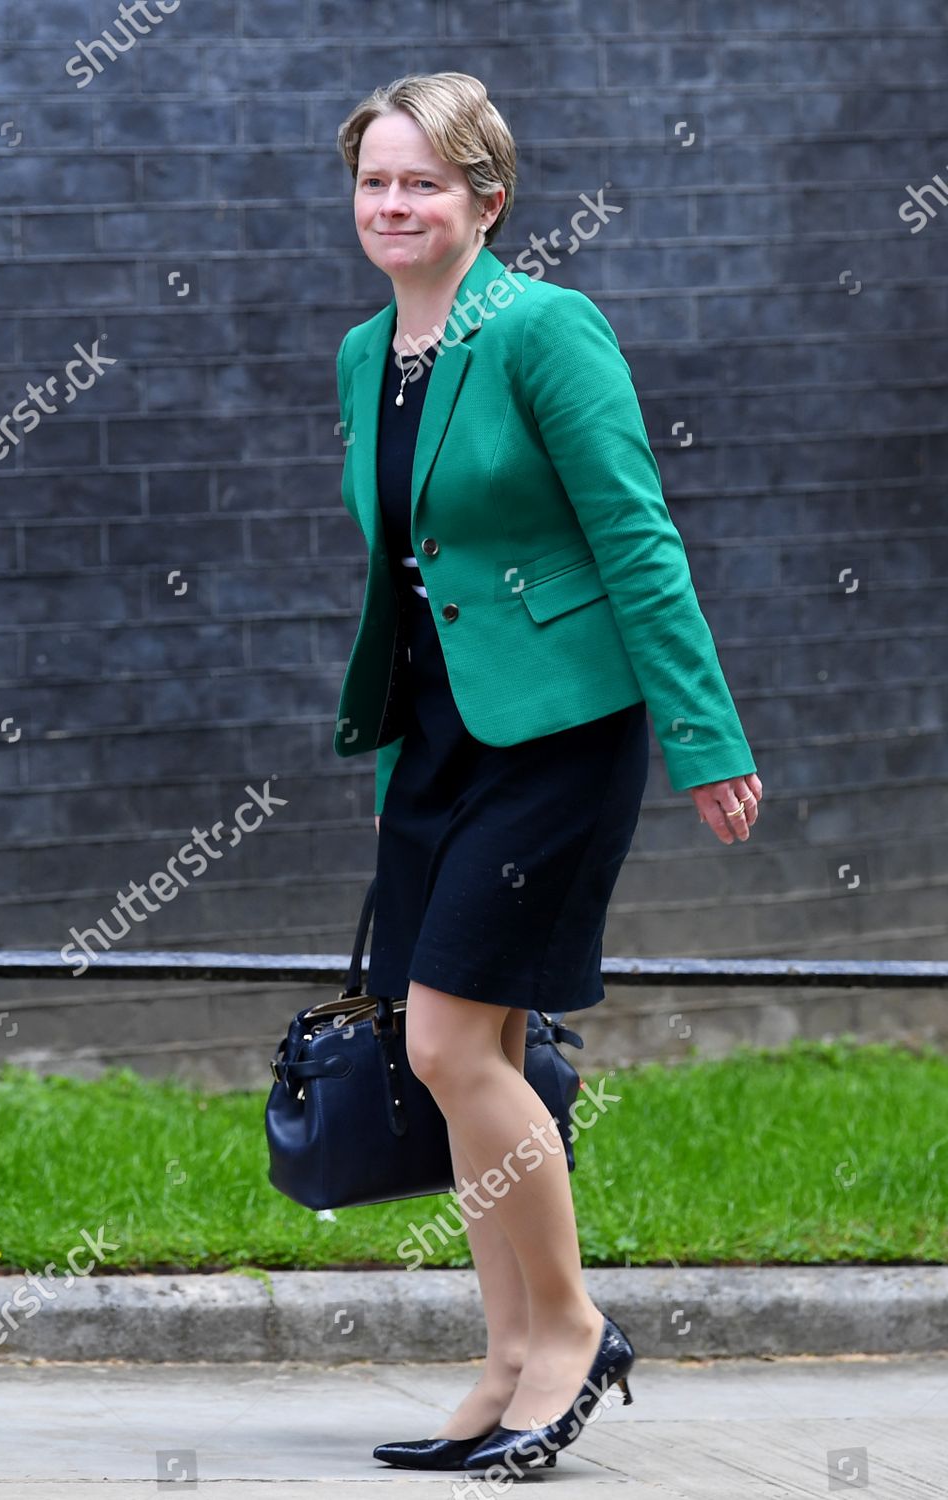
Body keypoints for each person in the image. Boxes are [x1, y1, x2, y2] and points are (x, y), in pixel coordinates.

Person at [332, 71, 763, 1477]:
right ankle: (508, 1353)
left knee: (448, 1044)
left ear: (486, 199)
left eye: (423, 185)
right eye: (375, 183)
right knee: (483, 1060)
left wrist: (706, 742)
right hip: (441, 742)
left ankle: (573, 1328)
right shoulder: (363, 355)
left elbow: (637, 538)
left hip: (562, 737)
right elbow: (413, 564)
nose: (393, 206)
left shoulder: (545, 331)